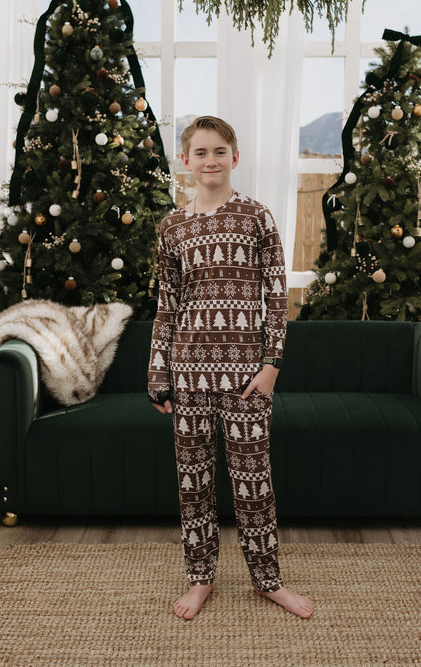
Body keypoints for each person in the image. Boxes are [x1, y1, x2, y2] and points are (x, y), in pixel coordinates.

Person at [148, 115, 313, 621]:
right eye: (200, 152)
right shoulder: (172, 227)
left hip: (246, 379)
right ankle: (200, 579)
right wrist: (158, 374)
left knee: (253, 480)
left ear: (234, 158)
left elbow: (275, 297)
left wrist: (272, 366)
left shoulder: (257, 217)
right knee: (193, 482)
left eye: (219, 151)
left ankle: (269, 580)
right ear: (186, 162)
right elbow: (167, 306)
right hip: (189, 374)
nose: (210, 160)